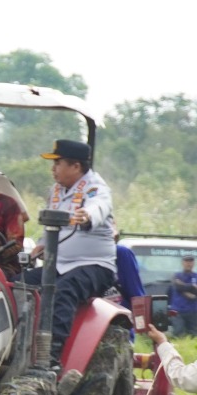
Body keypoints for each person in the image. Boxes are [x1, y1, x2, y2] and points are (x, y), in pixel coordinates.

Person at [23, 138, 116, 369]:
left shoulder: (96, 188)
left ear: (76, 166)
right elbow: (51, 226)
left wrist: (87, 215)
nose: (52, 168)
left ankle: (50, 357)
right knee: (18, 285)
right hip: (59, 264)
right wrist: (40, 245)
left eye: (58, 163)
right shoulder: (56, 191)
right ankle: (13, 344)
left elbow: (99, 206)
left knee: (63, 290)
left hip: (94, 265)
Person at [170, 254, 197, 335]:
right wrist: (192, 286)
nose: (188, 263)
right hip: (177, 311)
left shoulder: (196, 276)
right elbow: (178, 286)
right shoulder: (176, 275)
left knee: (194, 335)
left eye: (191, 261)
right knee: (178, 333)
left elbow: (181, 287)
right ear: (182, 263)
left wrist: (183, 288)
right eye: (186, 261)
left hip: (193, 311)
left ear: (194, 263)